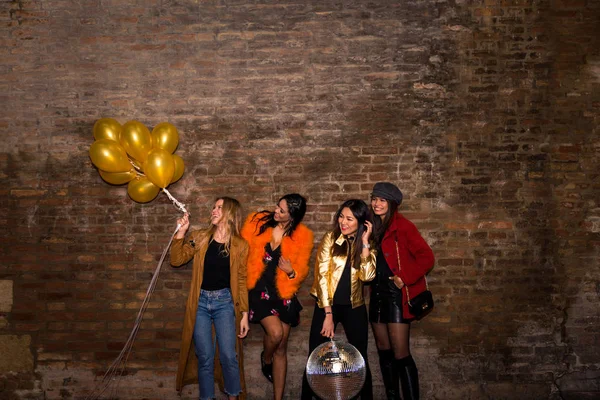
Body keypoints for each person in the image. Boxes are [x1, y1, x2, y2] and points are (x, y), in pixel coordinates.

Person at [170, 197, 249, 400]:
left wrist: (244, 315)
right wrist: (181, 232)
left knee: (229, 356)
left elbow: (241, 280)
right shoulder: (201, 237)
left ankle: (233, 396)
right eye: (213, 207)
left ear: (230, 213)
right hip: (201, 303)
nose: (213, 210)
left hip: (225, 303)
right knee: (204, 357)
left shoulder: (240, 245)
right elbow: (176, 260)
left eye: (219, 208)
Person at [301, 199, 376, 400]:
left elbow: (368, 277)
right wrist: (328, 314)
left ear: (361, 223)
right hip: (327, 305)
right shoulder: (330, 238)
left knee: (360, 359)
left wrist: (366, 244)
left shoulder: (366, 243)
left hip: (355, 307)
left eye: (349, 218)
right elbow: (322, 276)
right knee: (315, 357)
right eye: (341, 216)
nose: (343, 221)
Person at [241, 193, 314, 400]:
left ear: (292, 216)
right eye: (277, 206)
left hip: (283, 293)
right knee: (275, 334)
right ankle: (266, 359)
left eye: (282, 210)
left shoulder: (303, 236)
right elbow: (242, 252)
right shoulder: (257, 223)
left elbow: (300, 272)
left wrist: (291, 271)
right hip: (259, 290)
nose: (276, 211)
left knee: (282, 349)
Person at [368, 182, 435, 400]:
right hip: (377, 293)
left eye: (382, 200)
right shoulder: (372, 226)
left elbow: (427, 257)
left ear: (392, 204)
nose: (377, 203)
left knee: (400, 353)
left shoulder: (403, 226)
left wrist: (403, 278)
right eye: (375, 198)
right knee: (383, 351)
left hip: (397, 295)